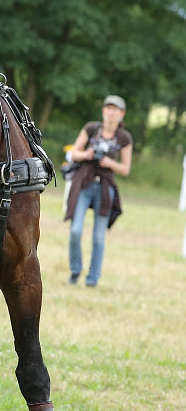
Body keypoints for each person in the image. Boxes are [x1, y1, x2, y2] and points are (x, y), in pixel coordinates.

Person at [64, 95, 133, 287]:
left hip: (105, 188)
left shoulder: (124, 137)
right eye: (108, 108)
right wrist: (87, 154)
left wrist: (109, 162)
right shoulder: (91, 128)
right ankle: (75, 271)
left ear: (122, 114)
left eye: (116, 109)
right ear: (103, 110)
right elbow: (72, 153)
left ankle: (93, 278)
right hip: (85, 183)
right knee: (76, 231)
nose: (111, 112)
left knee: (98, 236)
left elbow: (126, 169)